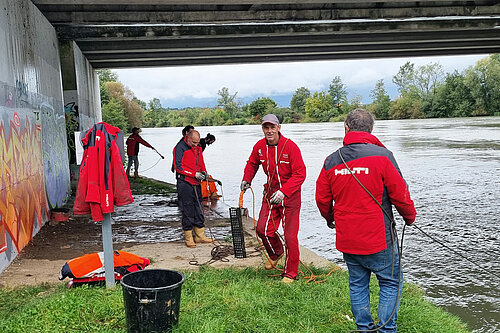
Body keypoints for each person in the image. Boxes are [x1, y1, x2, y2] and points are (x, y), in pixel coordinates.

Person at [315, 109, 417, 332]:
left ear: (346, 128)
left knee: (358, 283)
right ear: (371, 129)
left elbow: (322, 199)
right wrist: (410, 217)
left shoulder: (331, 161)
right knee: (390, 282)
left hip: (348, 239)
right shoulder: (383, 156)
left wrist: (331, 218)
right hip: (379, 238)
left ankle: (364, 328)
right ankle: (386, 329)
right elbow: (401, 193)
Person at [240, 114, 306, 284]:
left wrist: (284, 192)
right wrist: (246, 179)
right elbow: (252, 163)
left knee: (290, 237)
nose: (269, 131)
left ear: (279, 128)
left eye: (272, 127)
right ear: (262, 129)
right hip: (269, 195)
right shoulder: (260, 146)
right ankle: (276, 253)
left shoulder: (290, 147)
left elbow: (300, 174)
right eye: (265, 127)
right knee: (262, 229)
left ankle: (291, 273)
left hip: (289, 198)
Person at [172, 130, 213, 248]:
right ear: (187, 137)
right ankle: (189, 237)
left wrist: (204, 172)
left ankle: (200, 235)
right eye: (193, 142)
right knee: (187, 208)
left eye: (197, 142)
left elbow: (201, 161)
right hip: (184, 182)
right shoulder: (179, 148)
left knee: (199, 206)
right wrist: (193, 174)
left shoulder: (199, 146)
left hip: (196, 181)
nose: (196, 144)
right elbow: (178, 167)